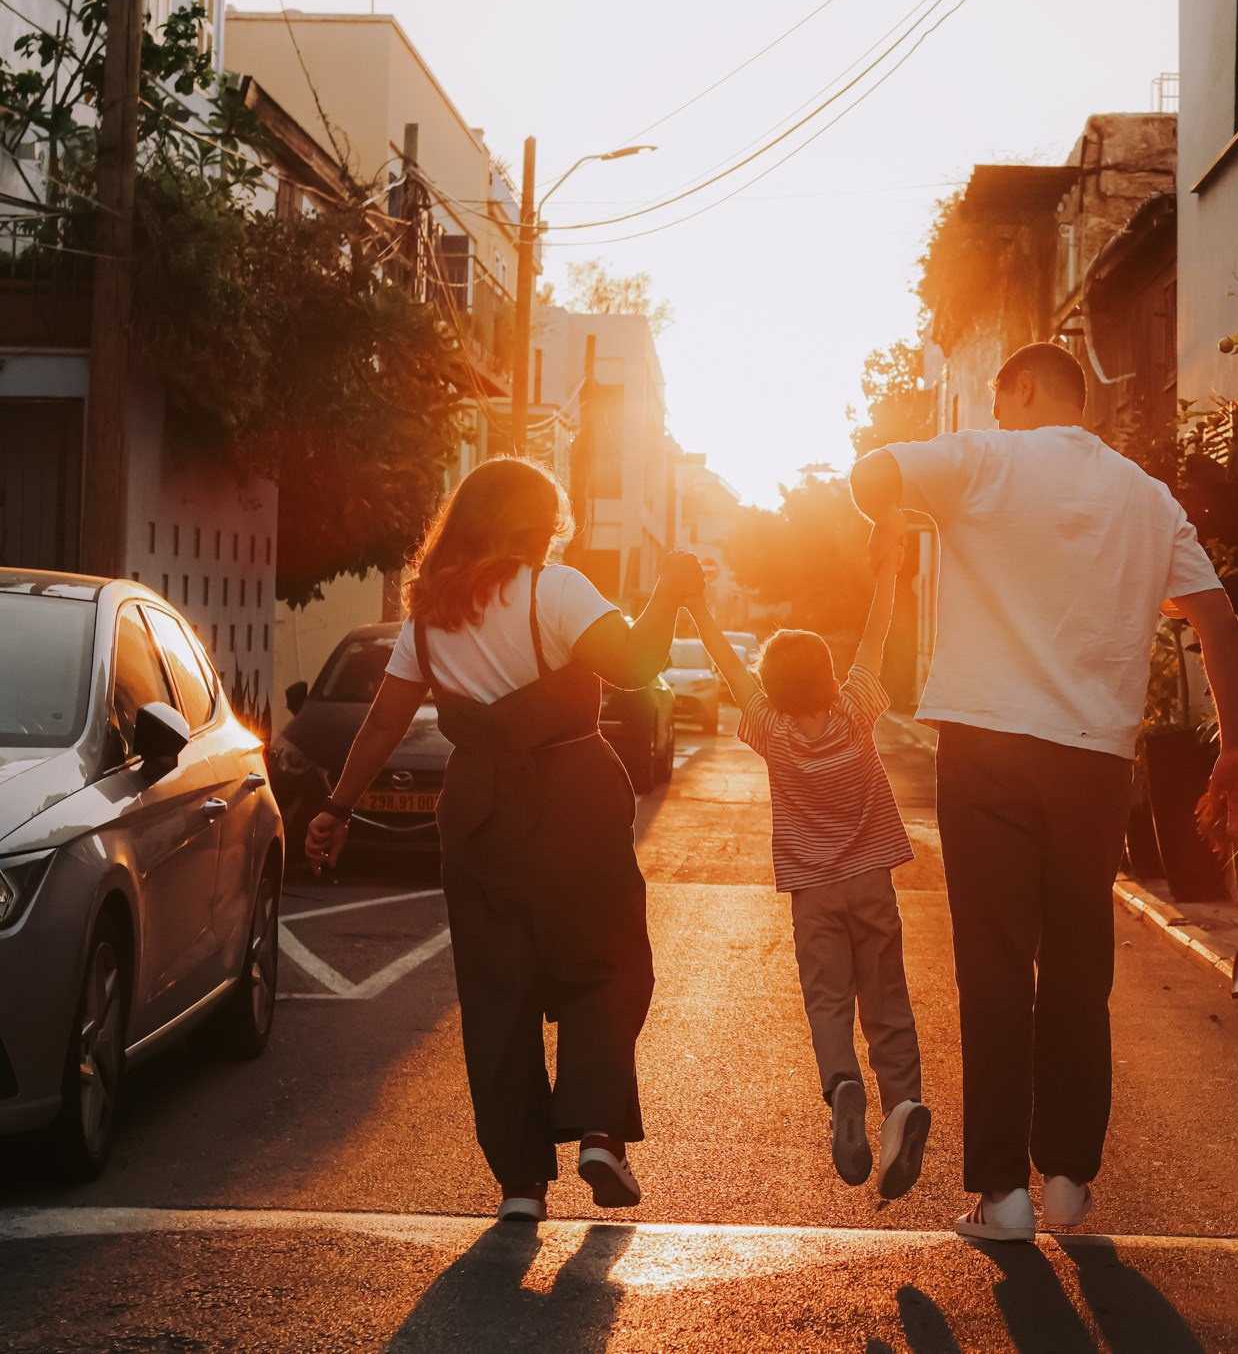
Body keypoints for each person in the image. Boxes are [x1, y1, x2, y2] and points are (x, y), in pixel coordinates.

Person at [850, 341, 1238, 1243]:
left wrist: (890, 515)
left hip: (990, 745)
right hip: (1096, 762)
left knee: (994, 964)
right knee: (1079, 965)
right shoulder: (1147, 499)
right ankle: (1068, 1176)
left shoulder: (981, 458)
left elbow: (870, 472)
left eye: (1002, 400)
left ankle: (1003, 1195)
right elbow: (1216, 616)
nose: (996, 416)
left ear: (1024, 389)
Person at [304, 457, 691, 1224]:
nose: (556, 531)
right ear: (529, 521)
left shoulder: (429, 613)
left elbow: (385, 719)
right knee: (609, 962)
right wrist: (671, 592)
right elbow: (639, 662)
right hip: (572, 792)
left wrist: (338, 807)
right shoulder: (556, 590)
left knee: (497, 990)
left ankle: (520, 1183)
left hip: (478, 810)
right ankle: (596, 1130)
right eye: (551, 517)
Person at [679, 543, 930, 1200]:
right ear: (825, 673)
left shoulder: (772, 730)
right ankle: (902, 1106)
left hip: (812, 891)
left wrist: (698, 606)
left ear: (776, 685)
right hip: (872, 880)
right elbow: (875, 633)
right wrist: (887, 570)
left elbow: (729, 665)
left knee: (828, 1000)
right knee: (887, 999)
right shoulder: (856, 711)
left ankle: (843, 1083)